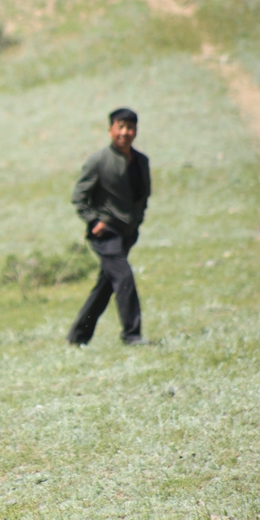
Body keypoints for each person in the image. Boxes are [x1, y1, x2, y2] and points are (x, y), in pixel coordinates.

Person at [67, 108, 151, 347]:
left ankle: (78, 336)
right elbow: (79, 196)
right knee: (124, 276)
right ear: (110, 129)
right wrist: (94, 220)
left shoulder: (141, 161)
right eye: (120, 127)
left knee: (106, 286)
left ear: (136, 130)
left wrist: (137, 220)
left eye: (130, 127)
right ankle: (131, 335)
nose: (125, 132)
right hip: (105, 234)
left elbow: (144, 195)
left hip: (127, 232)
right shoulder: (99, 161)